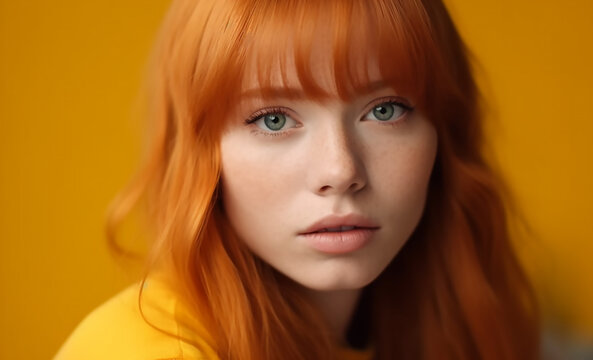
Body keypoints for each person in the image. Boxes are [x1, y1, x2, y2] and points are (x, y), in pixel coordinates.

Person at [55, 0, 539, 359]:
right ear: (203, 151)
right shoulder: (141, 349)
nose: (340, 171)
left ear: (442, 134)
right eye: (273, 119)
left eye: (384, 109)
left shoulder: (462, 329)